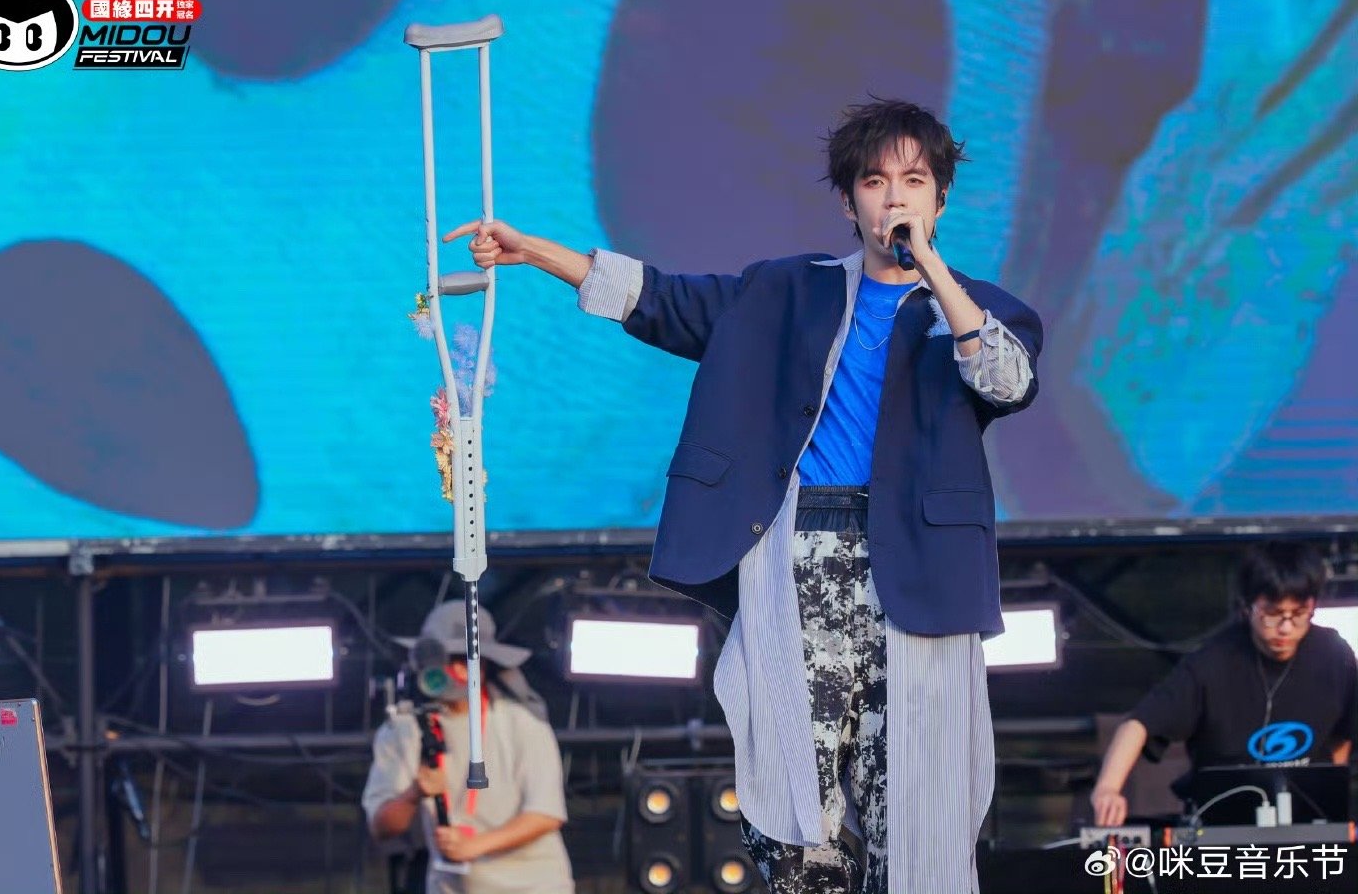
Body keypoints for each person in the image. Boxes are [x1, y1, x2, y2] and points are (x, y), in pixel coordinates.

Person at [445, 98, 1042, 893]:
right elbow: (661, 300)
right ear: (849, 201)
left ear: (940, 198)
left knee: (917, 802)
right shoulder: (787, 291)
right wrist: (534, 253)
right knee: (788, 810)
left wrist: (931, 270)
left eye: (913, 181)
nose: (893, 198)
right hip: (798, 557)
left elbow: (1006, 381)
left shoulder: (982, 309)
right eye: (874, 181)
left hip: (922, 570)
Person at [1090, 543, 1357, 827]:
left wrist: (1327, 787)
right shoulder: (1212, 662)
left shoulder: (1334, 654)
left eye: (1299, 613)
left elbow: (1346, 730)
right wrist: (1107, 788)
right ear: (1247, 606)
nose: (1286, 628)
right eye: (1272, 613)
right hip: (1221, 819)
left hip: (1310, 819)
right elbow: (1139, 724)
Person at [362, 601, 574, 893]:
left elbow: (546, 813)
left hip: (535, 886)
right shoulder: (402, 729)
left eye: (470, 659)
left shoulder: (523, 720)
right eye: (450, 659)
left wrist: (475, 846)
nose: (461, 670)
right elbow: (381, 827)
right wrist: (414, 793)